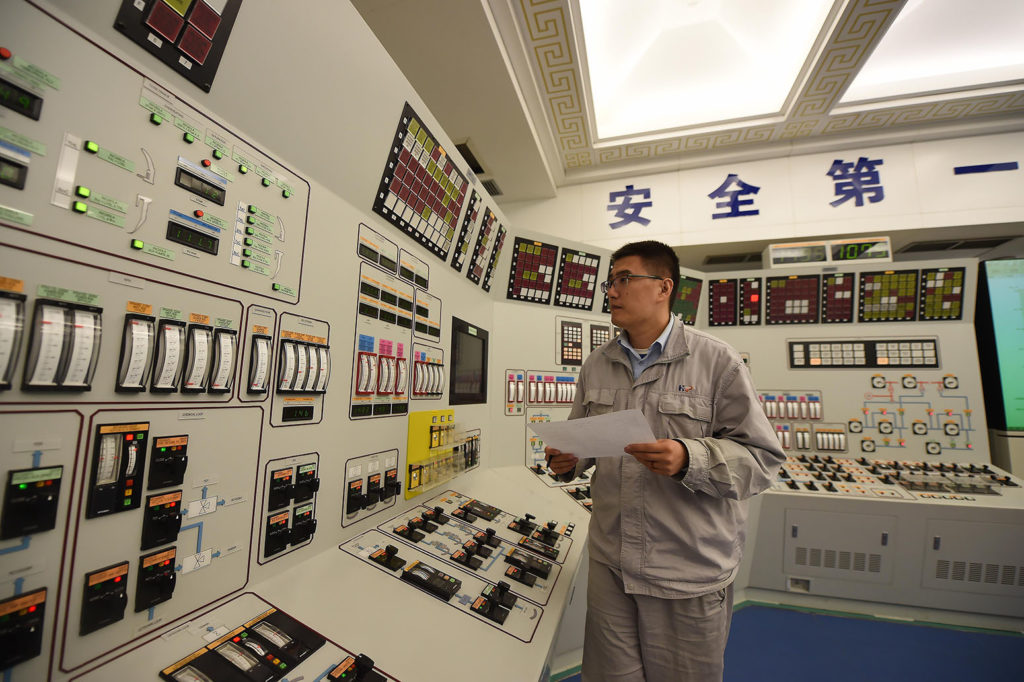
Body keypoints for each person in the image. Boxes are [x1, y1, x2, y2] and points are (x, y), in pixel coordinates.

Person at [545, 240, 785, 682]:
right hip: (612, 563)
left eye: (623, 280)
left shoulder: (717, 361)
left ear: (663, 287)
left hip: (685, 570)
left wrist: (689, 457)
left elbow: (763, 459)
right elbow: (584, 437)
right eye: (609, 282)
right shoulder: (597, 363)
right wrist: (569, 461)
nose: (611, 292)